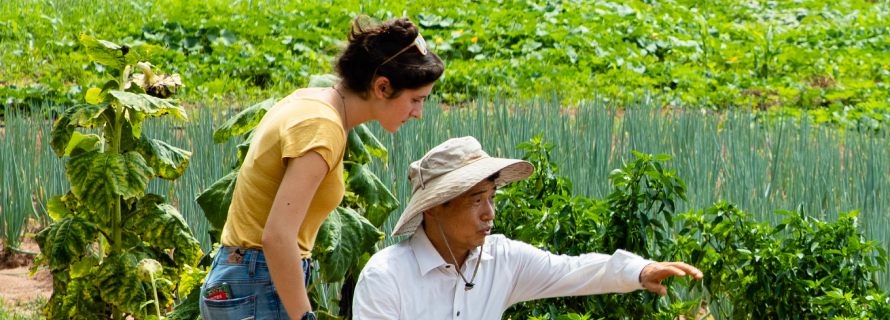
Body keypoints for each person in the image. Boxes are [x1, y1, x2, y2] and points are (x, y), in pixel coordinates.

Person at [200, 16, 442, 320]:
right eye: (416, 100)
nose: (418, 113)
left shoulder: (311, 102)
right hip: (258, 282)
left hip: (246, 277)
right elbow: (277, 236)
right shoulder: (322, 127)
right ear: (382, 87)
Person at [354, 137, 705, 319]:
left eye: (492, 197)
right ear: (435, 208)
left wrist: (640, 270)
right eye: (476, 200)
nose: (489, 213)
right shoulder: (387, 277)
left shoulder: (501, 260)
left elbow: (573, 269)